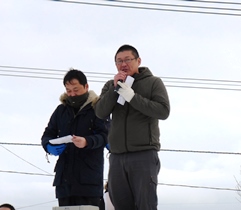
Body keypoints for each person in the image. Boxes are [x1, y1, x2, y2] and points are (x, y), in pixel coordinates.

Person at [95, 44, 170, 210]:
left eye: (128, 60)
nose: (123, 64)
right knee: (120, 205)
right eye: (119, 61)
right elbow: (100, 112)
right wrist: (115, 90)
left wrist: (133, 97)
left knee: (145, 205)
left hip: (143, 155)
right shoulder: (110, 85)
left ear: (138, 61)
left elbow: (163, 111)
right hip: (117, 157)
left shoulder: (153, 83)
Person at [41, 68, 109, 207]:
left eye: (76, 90)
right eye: (68, 90)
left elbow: (105, 136)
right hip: (64, 182)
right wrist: (48, 146)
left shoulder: (98, 108)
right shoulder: (61, 110)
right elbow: (48, 134)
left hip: (89, 182)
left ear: (86, 86)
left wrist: (87, 142)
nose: (72, 94)